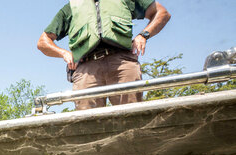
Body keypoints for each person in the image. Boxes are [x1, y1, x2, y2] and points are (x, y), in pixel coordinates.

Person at [37, 0, 171, 110]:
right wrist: (63, 53)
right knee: (87, 123)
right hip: (87, 69)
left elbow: (162, 13)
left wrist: (143, 35)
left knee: (132, 114)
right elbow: (43, 42)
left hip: (122, 62)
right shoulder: (70, 8)